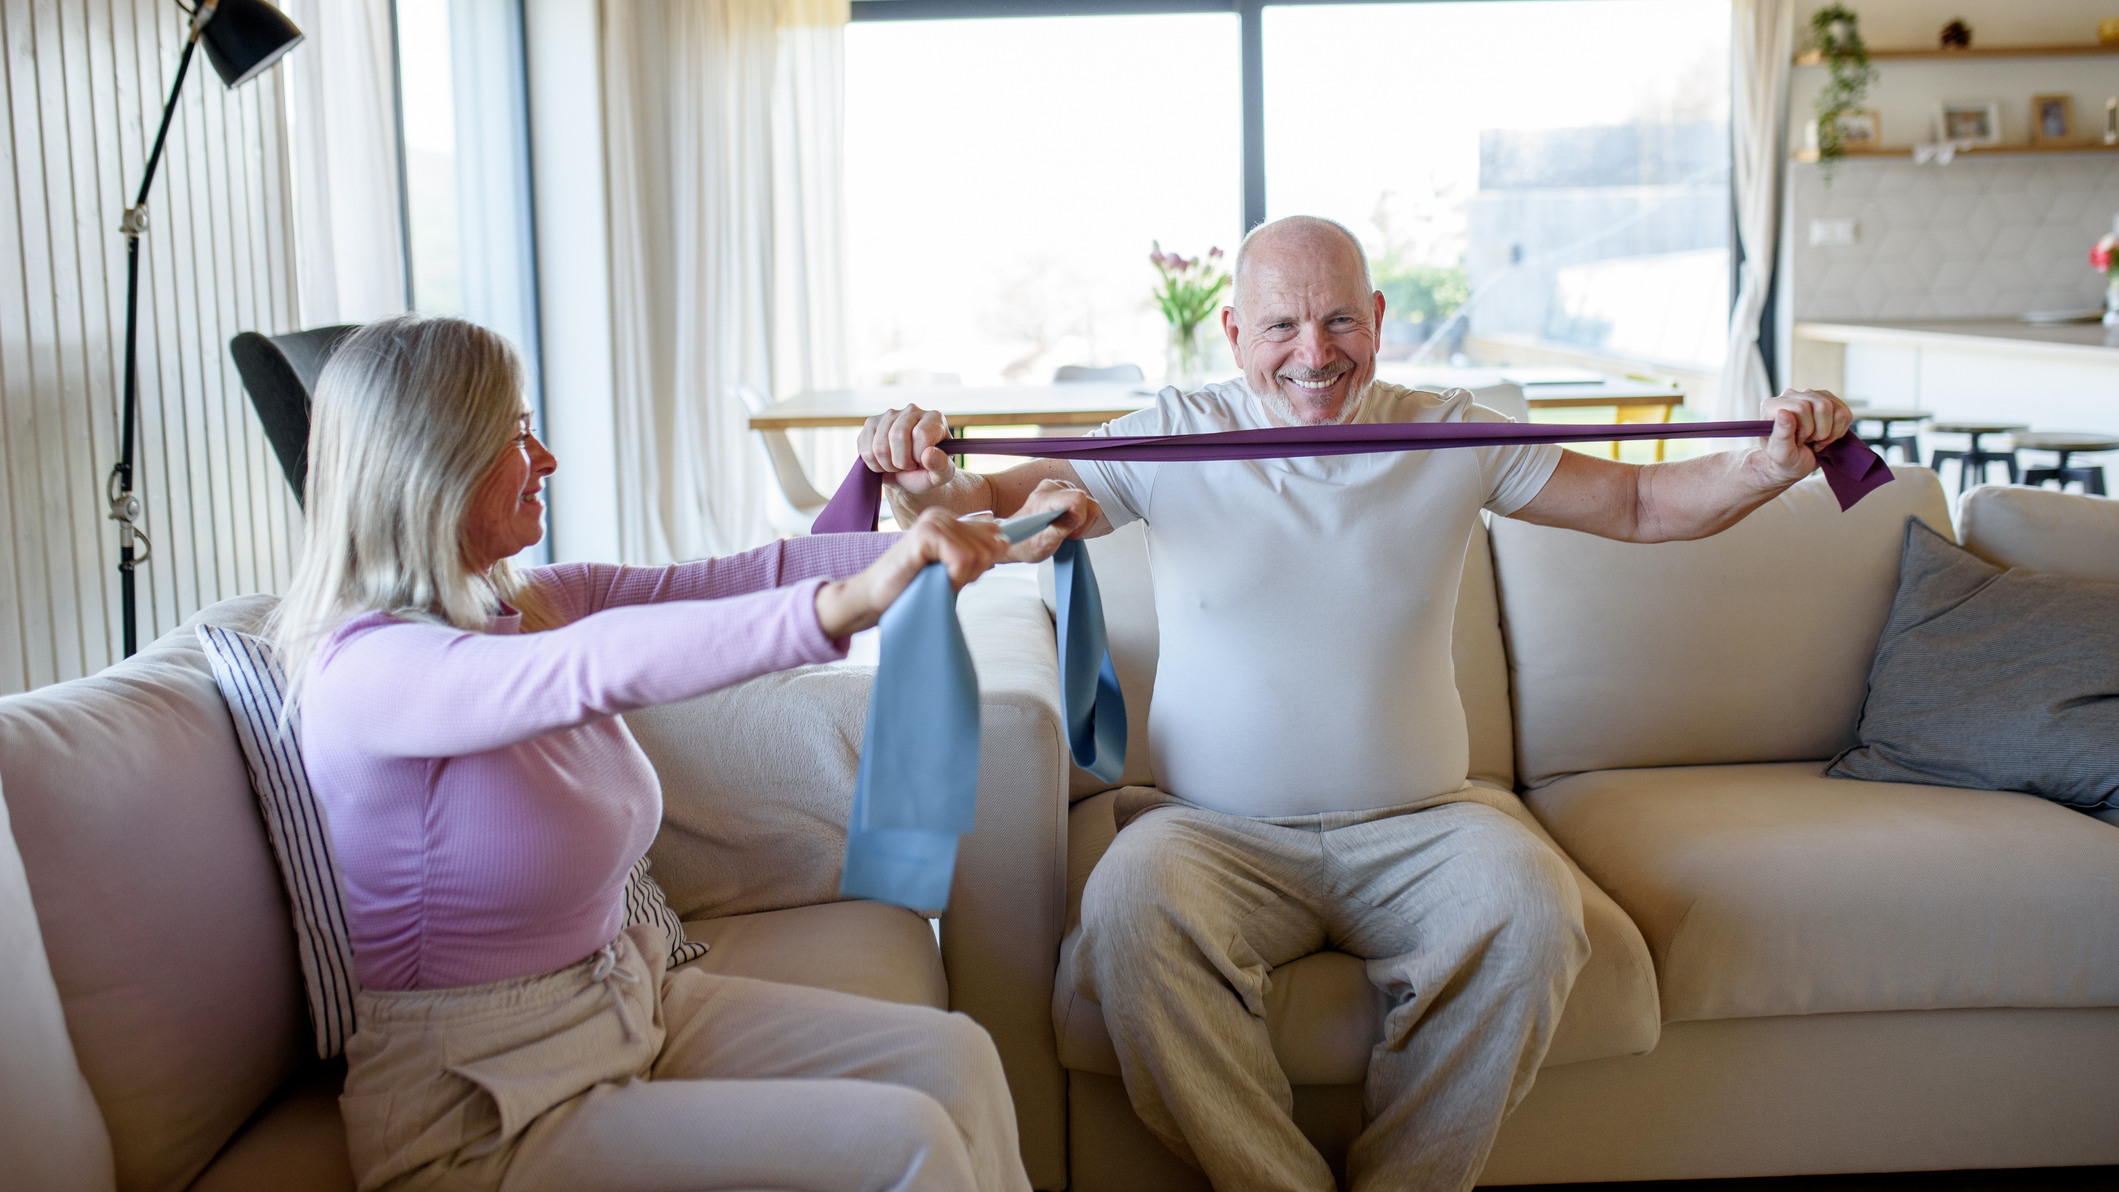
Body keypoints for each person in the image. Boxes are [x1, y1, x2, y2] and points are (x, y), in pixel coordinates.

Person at [856, 216, 1854, 1192]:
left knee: (1534, 909)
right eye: (1281, 327)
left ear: (1377, 319)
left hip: (1424, 825)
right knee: (1124, 910)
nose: (1312, 352)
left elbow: (1641, 505)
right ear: (1235, 335)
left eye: (1338, 320)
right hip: (1210, 833)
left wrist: (1766, 465)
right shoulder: (1169, 433)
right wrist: (920, 486)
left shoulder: (1453, 432)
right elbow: (996, 509)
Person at [274, 313, 1095, 1192]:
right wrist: (852, 603)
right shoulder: (371, 670)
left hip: (627, 1002)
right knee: (906, 1141)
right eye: (516, 435)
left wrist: (994, 543)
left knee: (956, 1059)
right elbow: (596, 667)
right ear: (432, 460)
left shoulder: (533, 602)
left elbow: (751, 572)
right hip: (478, 1111)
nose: (546, 458)